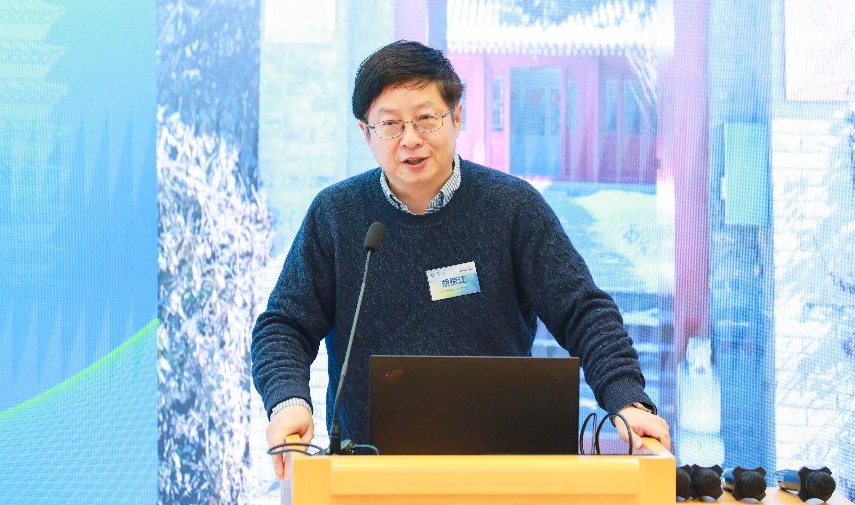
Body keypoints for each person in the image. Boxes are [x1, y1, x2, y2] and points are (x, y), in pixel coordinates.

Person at [251, 40, 671, 479]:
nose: (410, 139)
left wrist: (627, 398)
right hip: (369, 476)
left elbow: (583, 312)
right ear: (366, 134)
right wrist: (288, 402)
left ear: (457, 117)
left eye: (426, 119)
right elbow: (284, 325)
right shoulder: (336, 215)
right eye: (390, 124)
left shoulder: (512, 208)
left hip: (504, 471)